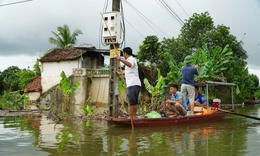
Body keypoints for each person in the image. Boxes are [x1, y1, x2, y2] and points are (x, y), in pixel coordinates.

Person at [116, 47, 141, 119]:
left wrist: (120, 59)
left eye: (123, 53)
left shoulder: (131, 59)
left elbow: (129, 64)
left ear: (125, 53)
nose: (123, 55)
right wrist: (120, 73)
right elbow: (128, 71)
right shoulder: (130, 60)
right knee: (134, 102)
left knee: (132, 102)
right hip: (135, 84)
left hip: (133, 84)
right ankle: (133, 116)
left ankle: (132, 116)